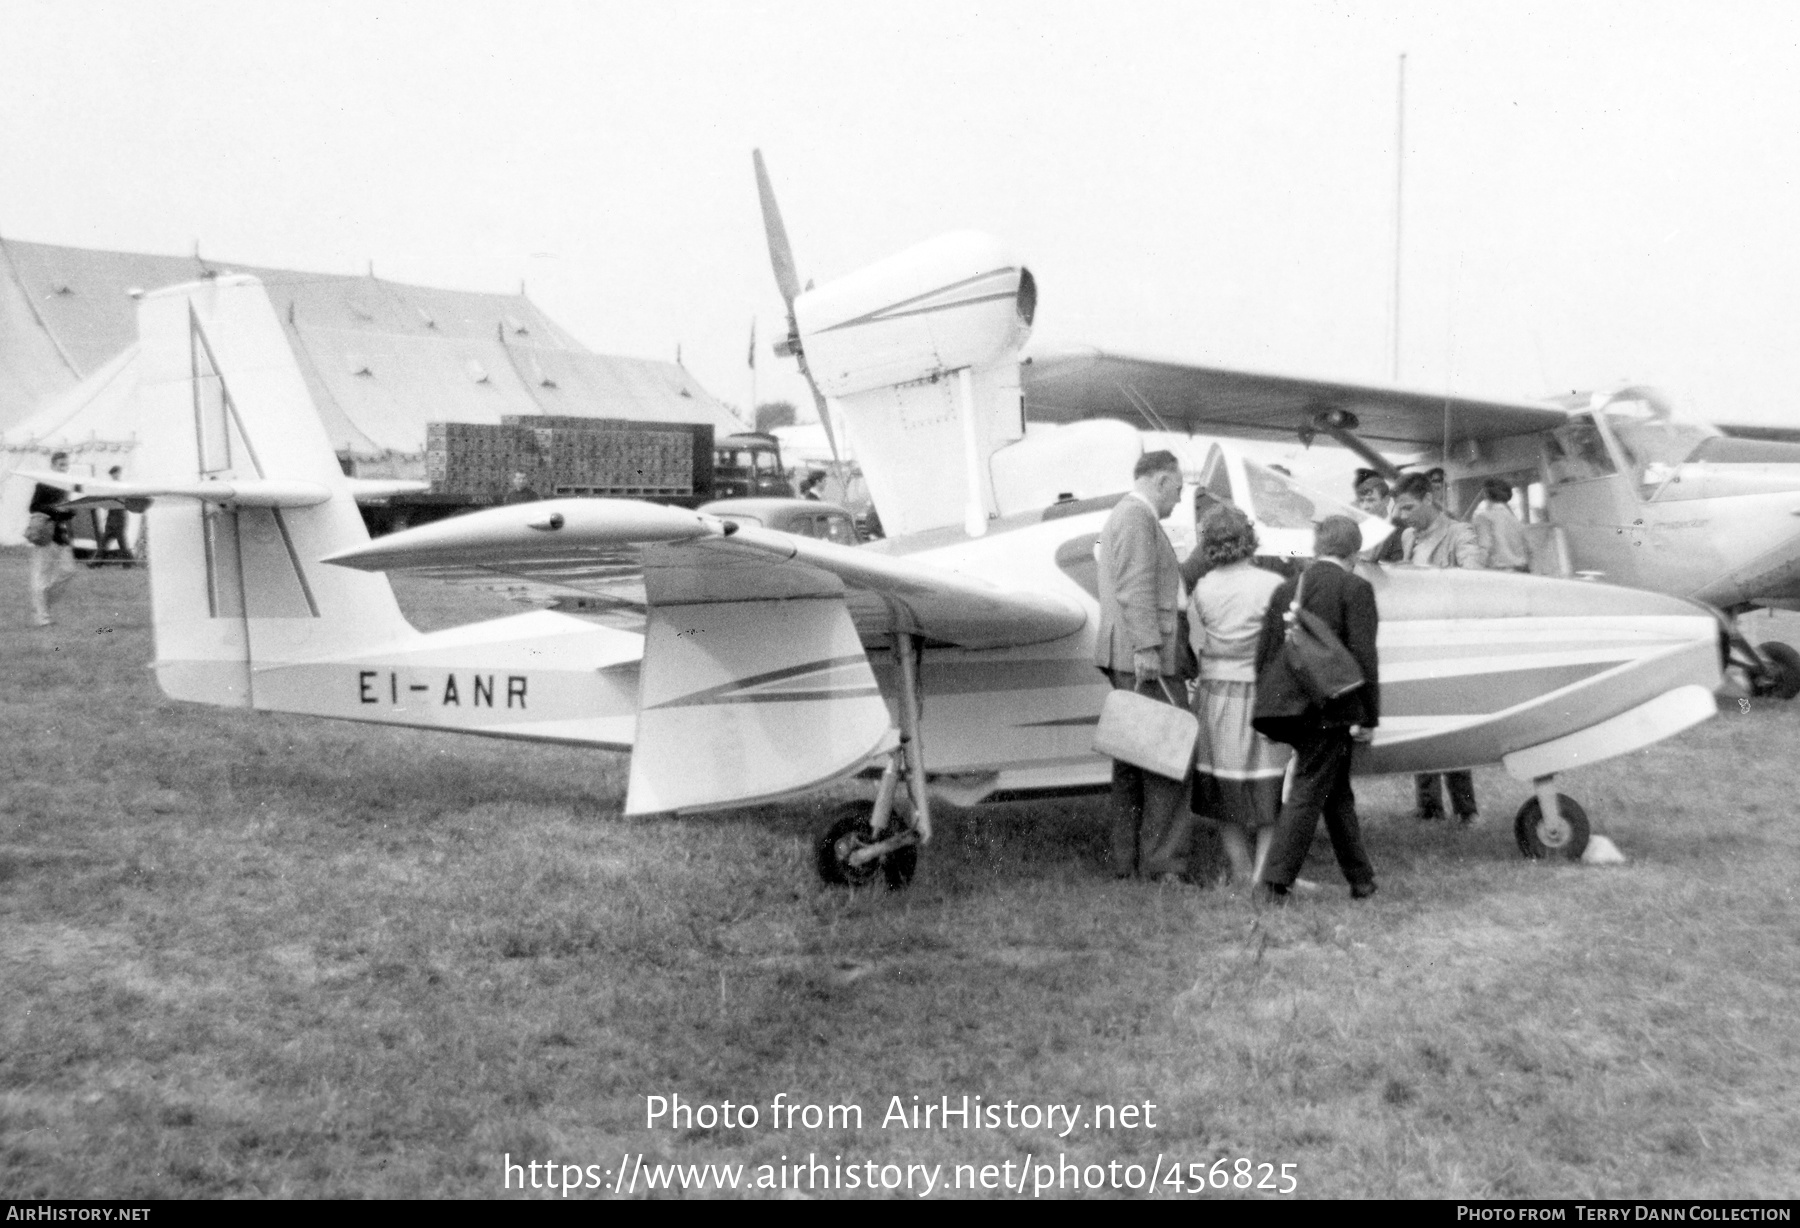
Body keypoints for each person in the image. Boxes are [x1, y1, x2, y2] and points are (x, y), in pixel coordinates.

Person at [1253, 515, 1381, 902]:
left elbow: (1265, 654)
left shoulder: (1287, 589)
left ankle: (1362, 881)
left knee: (1336, 792)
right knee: (1311, 789)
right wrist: (1369, 716)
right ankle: (1274, 883)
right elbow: (1364, 659)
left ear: (1318, 547)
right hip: (1331, 709)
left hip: (1289, 708)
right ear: (1355, 553)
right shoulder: (1355, 588)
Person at [1095, 450, 1192, 882]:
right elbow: (1136, 587)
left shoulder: (1126, 515)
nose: (1179, 497)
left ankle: (1127, 861)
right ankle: (1163, 865)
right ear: (1160, 480)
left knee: (1132, 762)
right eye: (1178, 487)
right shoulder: (1137, 517)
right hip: (1146, 658)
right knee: (1167, 760)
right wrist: (1148, 648)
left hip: (1127, 655)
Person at [1188, 504, 1291, 886]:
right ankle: (1263, 872)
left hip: (1216, 695)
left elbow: (1197, 643)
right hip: (1262, 693)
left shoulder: (1203, 587)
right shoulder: (1271, 584)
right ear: (1248, 538)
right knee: (1270, 786)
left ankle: (1241, 869)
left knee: (1223, 788)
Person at [1394, 471, 1484, 823]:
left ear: (1429, 500)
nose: (1402, 516)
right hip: (1416, 642)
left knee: (1450, 727)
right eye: (1399, 509)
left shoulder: (1460, 533)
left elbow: (1475, 578)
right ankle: (1429, 805)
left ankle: (1466, 810)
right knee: (1420, 722)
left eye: (1408, 507)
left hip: (1448, 644)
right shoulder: (1407, 536)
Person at [28, 452, 79, 627]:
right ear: (53, 465)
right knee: (41, 575)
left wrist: (71, 510)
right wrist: (57, 510)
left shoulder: (65, 485)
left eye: (66, 465)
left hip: (61, 536)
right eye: (61, 465)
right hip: (45, 533)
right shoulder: (43, 483)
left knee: (68, 571)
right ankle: (42, 618)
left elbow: (68, 510)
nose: (64, 468)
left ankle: (42, 605)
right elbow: (34, 507)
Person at [1471, 477, 1530, 572]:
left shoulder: (1484, 518)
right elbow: (1528, 550)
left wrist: (1473, 571)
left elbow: (1484, 548)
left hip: (1499, 575)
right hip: (1521, 573)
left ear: (1486, 494)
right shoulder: (1516, 521)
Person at [1353, 470, 1404, 564]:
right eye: (1361, 501)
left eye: (1371, 500)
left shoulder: (1399, 529)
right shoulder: (1357, 529)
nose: (1365, 506)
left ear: (1386, 501)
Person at [98, 465, 133, 562]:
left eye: (115, 473)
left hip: (120, 516)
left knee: (121, 542)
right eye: (112, 474)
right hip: (111, 516)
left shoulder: (122, 487)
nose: (114, 476)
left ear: (118, 473)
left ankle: (128, 563)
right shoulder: (109, 487)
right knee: (104, 541)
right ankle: (96, 563)